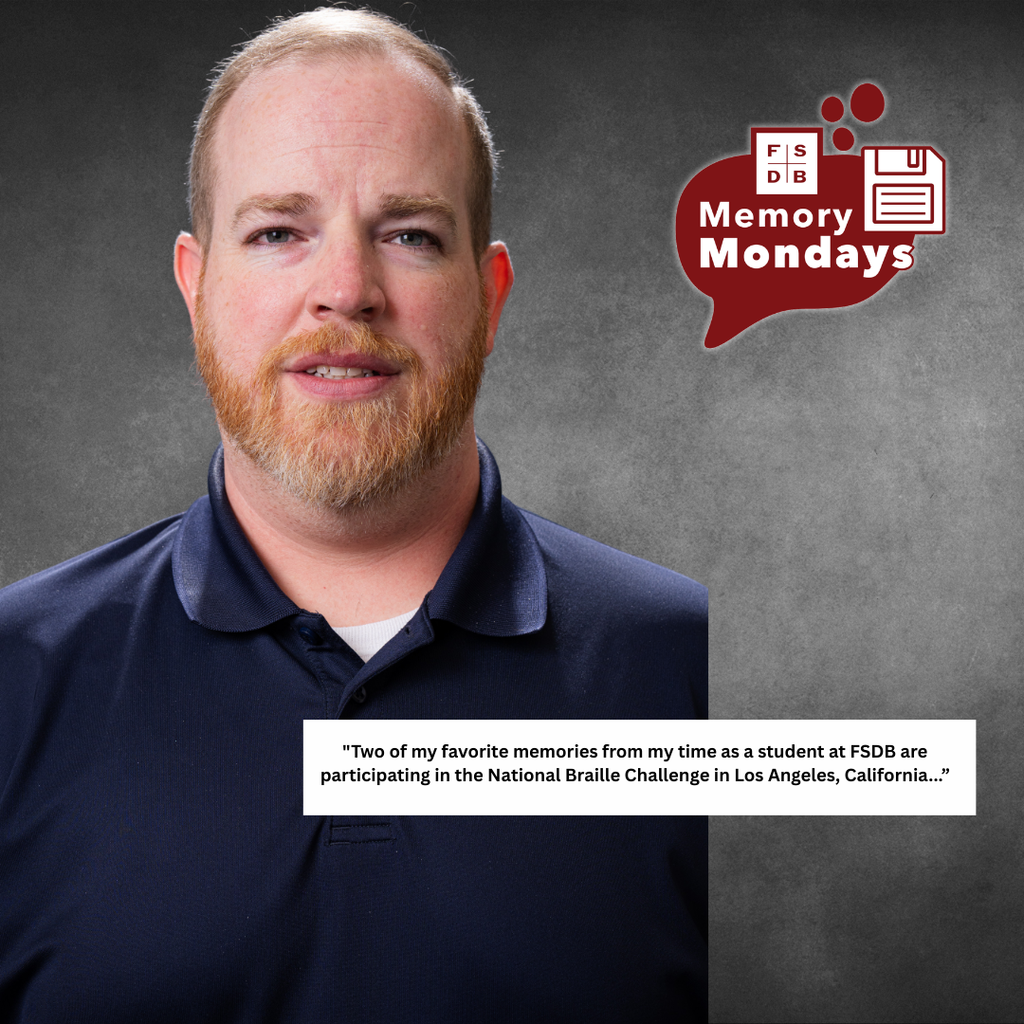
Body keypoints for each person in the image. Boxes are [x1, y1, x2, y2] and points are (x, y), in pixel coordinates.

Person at [0, 8, 707, 1022]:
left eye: (410, 235)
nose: (345, 289)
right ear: (196, 289)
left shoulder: (697, 672)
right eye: (279, 232)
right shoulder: (16, 680)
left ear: (490, 296)